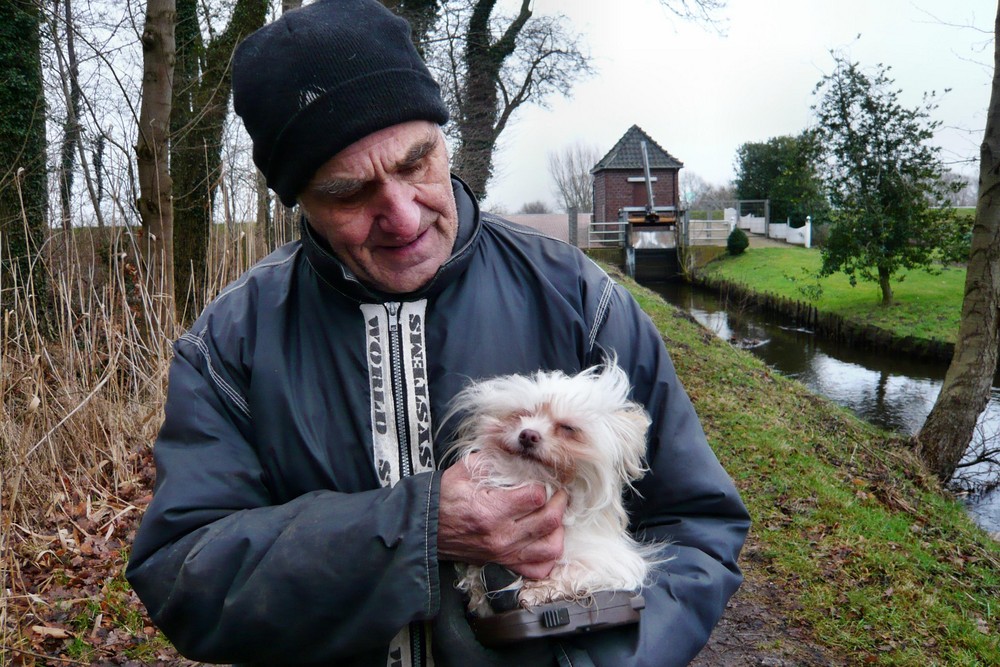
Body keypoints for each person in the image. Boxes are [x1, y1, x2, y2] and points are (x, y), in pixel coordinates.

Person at [125, 1, 750, 665]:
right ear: (300, 199)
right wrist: (417, 529)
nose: (401, 214)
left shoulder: (580, 299)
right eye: (348, 192)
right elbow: (186, 577)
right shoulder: (230, 343)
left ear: (443, 139)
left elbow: (697, 523)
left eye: (416, 162)